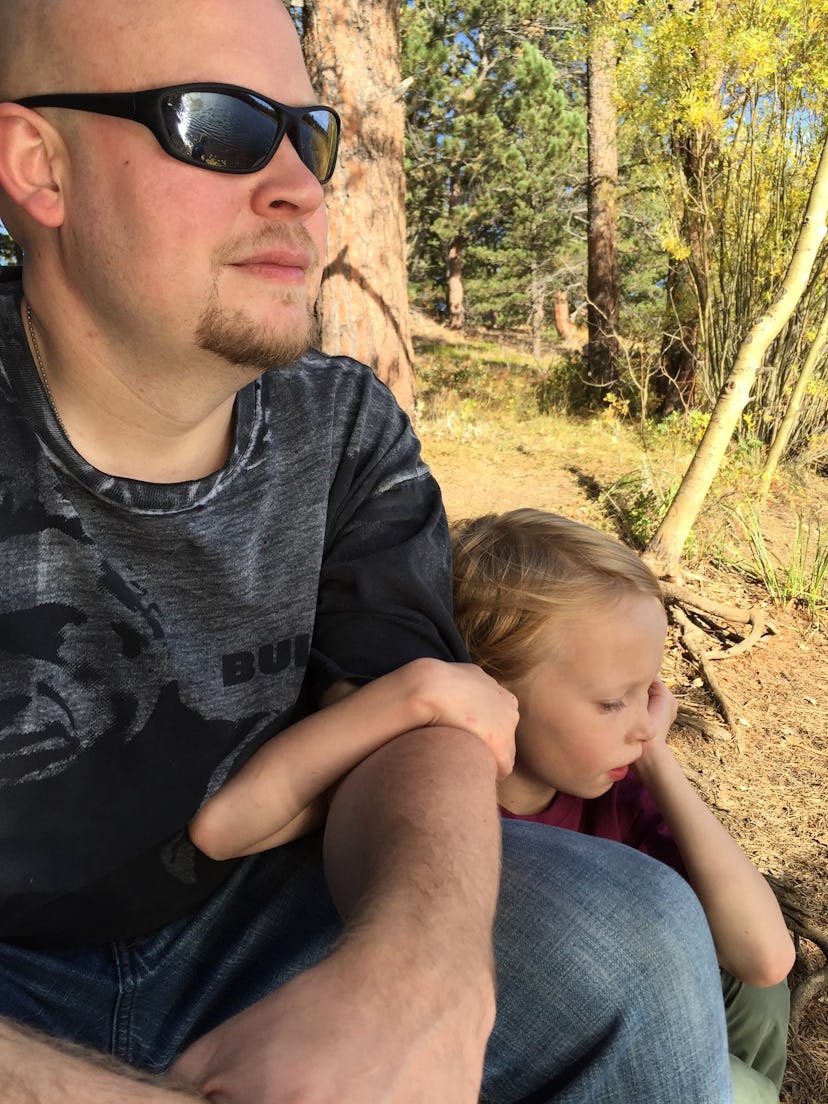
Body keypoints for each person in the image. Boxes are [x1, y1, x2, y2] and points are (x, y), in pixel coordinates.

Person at [0, 0, 734, 1100]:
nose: (302, 185)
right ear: (39, 165)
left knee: (634, 940)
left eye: (310, 132)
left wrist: (420, 971)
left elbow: (418, 711)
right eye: (222, 125)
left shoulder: (340, 425)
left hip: (254, 912)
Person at [451, 508, 795, 1104]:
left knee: (754, 989)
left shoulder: (615, 790)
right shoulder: (454, 817)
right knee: (746, 1090)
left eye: (651, 691)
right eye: (613, 702)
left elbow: (764, 956)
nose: (644, 726)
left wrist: (658, 762)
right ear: (490, 690)